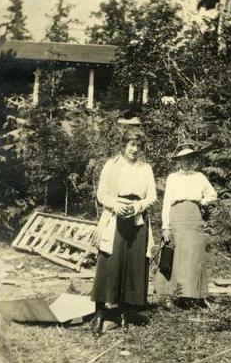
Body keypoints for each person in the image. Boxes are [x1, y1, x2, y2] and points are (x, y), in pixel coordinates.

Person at [91, 128, 157, 336]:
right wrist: (114, 205)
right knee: (109, 260)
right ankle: (100, 312)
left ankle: (126, 311)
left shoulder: (145, 168)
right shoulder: (111, 165)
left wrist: (138, 207)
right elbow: (101, 193)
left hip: (137, 218)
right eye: (131, 144)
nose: (135, 149)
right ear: (123, 145)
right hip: (115, 215)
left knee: (134, 263)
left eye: (138, 146)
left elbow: (152, 196)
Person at [155, 143, 217, 307]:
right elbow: (167, 202)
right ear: (179, 161)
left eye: (189, 158)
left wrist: (202, 202)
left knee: (194, 256)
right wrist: (165, 226)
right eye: (183, 159)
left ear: (194, 159)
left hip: (194, 216)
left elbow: (213, 194)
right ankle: (171, 294)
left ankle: (195, 296)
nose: (187, 162)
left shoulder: (199, 177)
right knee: (176, 255)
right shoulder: (172, 178)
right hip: (177, 216)